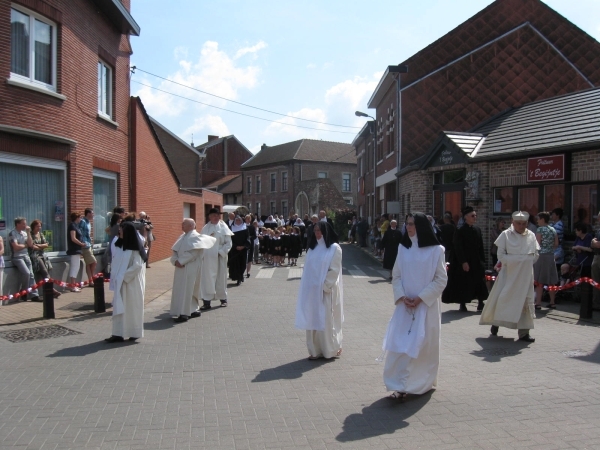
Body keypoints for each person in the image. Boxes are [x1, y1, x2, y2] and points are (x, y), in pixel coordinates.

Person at [382, 212, 447, 399]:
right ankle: (399, 384)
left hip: (425, 307)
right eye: (407, 224)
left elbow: (441, 279)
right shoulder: (404, 248)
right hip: (405, 307)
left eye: (412, 224)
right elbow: (397, 276)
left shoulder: (437, 251)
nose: (408, 227)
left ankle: (419, 382)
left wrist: (420, 298)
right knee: (401, 346)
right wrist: (403, 297)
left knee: (422, 346)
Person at [480, 211, 539, 342]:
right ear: (513, 222)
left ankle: (524, 333)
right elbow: (500, 255)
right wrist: (518, 260)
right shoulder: (505, 235)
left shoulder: (531, 236)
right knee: (503, 298)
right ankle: (495, 323)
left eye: (524, 223)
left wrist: (525, 261)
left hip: (525, 276)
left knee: (525, 301)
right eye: (519, 223)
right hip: (509, 274)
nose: (522, 226)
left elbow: (535, 254)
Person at [295, 221, 343, 360]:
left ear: (326, 232)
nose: (317, 233)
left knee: (326, 320)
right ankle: (314, 350)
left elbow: (334, 270)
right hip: (312, 292)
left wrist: (325, 287)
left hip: (326, 292)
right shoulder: (312, 249)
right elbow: (307, 270)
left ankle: (330, 349)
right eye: (315, 230)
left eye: (320, 230)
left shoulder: (335, 248)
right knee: (312, 320)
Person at [105, 222, 148, 343]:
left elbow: (137, 266)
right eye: (119, 230)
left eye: (122, 230)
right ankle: (117, 333)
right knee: (119, 306)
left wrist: (123, 276)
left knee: (132, 307)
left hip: (131, 283)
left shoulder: (134, 248)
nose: (119, 232)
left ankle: (134, 332)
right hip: (120, 282)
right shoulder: (119, 245)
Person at [169, 219, 216, 323]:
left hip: (190, 267)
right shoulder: (182, 236)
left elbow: (194, 252)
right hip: (180, 267)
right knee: (181, 289)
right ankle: (192, 310)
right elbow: (175, 250)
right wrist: (175, 260)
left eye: (183, 224)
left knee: (188, 289)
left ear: (190, 226)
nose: (182, 226)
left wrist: (181, 261)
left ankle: (185, 313)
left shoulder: (196, 237)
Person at [442, 206, 488, 311]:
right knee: (463, 282)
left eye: (475, 215)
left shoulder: (477, 229)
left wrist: (482, 261)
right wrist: (463, 261)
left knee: (479, 281)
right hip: (464, 261)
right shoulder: (460, 230)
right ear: (466, 217)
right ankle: (463, 303)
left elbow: (480, 246)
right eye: (472, 216)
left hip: (476, 261)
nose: (475, 217)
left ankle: (481, 302)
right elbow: (458, 247)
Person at [200, 208, 233, 309]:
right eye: (213, 215)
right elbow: (201, 242)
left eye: (217, 215)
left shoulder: (224, 227)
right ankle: (206, 302)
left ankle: (223, 299)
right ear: (209, 217)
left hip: (220, 257)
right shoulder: (206, 228)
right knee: (208, 278)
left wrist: (221, 252)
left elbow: (229, 243)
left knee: (221, 278)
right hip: (208, 257)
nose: (216, 217)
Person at [8, 217, 40, 302]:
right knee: (26, 273)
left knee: (31, 275)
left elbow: (30, 244)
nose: (25, 225)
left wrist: (28, 233)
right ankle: (24, 292)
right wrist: (25, 246)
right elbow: (16, 247)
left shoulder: (25, 233)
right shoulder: (12, 233)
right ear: (18, 224)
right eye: (23, 223)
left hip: (26, 256)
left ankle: (34, 295)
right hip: (17, 257)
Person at [533, 212, 558, 309]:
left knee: (540, 280)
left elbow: (537, 244)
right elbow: (556, 243)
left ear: (543, 219)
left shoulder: (540, 229)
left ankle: (538, 303)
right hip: (551, 256)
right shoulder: (553, 229)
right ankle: (552, 302)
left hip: (542, 256)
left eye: (538, 219)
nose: (537, 221)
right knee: (551, 279)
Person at [29, 220, 60, 298]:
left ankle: (48, 289)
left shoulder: (41, 234)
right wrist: (40, 246)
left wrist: (39, 245)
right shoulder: (30, 235)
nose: (39, 228)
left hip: (42, 254)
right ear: (33, 226)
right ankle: (51, 289)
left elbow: (46, 244)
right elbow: (32, 247)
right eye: (37, 226)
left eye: (40, 226)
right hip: (35, 256)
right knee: (44, 271)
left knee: (48, 269)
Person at [67, 212, 86, 292]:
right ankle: (72, 285)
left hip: (77, 249)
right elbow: (73, 238)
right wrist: (81, 244)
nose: (80, 219)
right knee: (75, 266)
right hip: (74, 249)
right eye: (80, 218)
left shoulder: (76, 226)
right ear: (76, 218)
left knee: (76, 266)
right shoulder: (72, 226)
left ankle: (73, 285)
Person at [229, 216, 250, 285]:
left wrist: (243, 246)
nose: (238, 221)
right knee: (236, 264)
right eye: (236, 220)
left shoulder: (245, 228)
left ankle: (241, 275)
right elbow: (229, 239)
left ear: (241, 221)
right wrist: (235, 246)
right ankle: (239, 278)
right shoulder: (231, 228)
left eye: (239, 220)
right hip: (235, 249)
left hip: (243, 249)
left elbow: (248, 238)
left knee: (243, 264)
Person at [79, 208, 97, 284]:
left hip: (89, 244)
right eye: (92, 213)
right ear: (88, 214)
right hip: (85, 245)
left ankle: (91, 280)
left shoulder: (89, 222)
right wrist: (82, 242)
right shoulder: (83, 222)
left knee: (89, 263)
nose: (93, 215)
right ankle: (91, 278)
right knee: (94, 262)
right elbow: (80, 232)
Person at [591, 212, 600, 311]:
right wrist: (594, 242)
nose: (598, 220)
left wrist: (595, 243)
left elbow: (597, 244)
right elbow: (593, 244)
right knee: (595, 282)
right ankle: (596, 304)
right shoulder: (598, 230)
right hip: (596, 256)